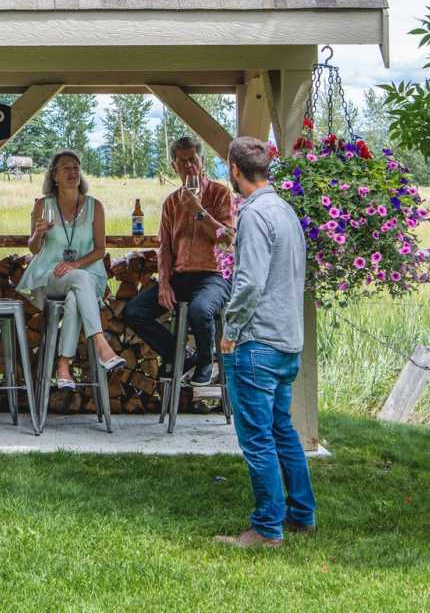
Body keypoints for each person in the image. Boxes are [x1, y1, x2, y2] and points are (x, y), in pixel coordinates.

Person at [215, 136, 316, 549]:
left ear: (234, 170)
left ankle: (267, 527)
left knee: (257, 438)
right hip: (288, 339)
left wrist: (230, 331)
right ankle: (301, 513)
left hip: (257, 342)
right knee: (282, 430)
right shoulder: (286, 211)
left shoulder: (255, 216)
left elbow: (250, 281)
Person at [122, 136, 234, 385]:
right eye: (182, 163)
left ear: (202, 161)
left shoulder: (220, 194)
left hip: (214, 275)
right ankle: (181, 355)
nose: (189, 167)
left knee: (200, 309)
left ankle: (206, 361)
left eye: (193, 160)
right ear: (174, 166)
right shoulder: (172, 202)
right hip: (181, 276)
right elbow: (165, 249)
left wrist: (198, 211)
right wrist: (163, 283)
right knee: (134, 311)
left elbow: (228, 239)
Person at [19, 150, 125, 388]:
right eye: (66, 167)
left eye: (76, 167)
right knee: (78, 279)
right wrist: (38, 234)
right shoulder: (42, 205)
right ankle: (101, 344)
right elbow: (35, 249)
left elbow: (100, 249)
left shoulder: (94, 206)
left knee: (76, 297)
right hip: (52, 274)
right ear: (54, 175)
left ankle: (64, 365)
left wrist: (76, 264)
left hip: (87, 275)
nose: (73, 172)